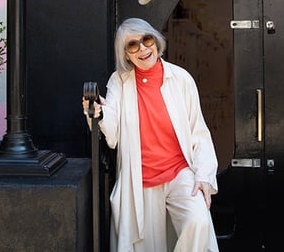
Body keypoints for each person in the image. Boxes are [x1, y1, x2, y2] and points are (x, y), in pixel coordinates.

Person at [82, 17, 219, 252]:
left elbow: (199, 131)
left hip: (179, 172)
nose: (143, 49)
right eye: (133, 45)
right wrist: (98, 113)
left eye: (147, 40)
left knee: (198, 222)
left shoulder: (181, 78)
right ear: (126, 55)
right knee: (148, 246)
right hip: (141, 179)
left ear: (155, 41)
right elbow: (112, 134)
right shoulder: (119, 81)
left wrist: (204, 175)